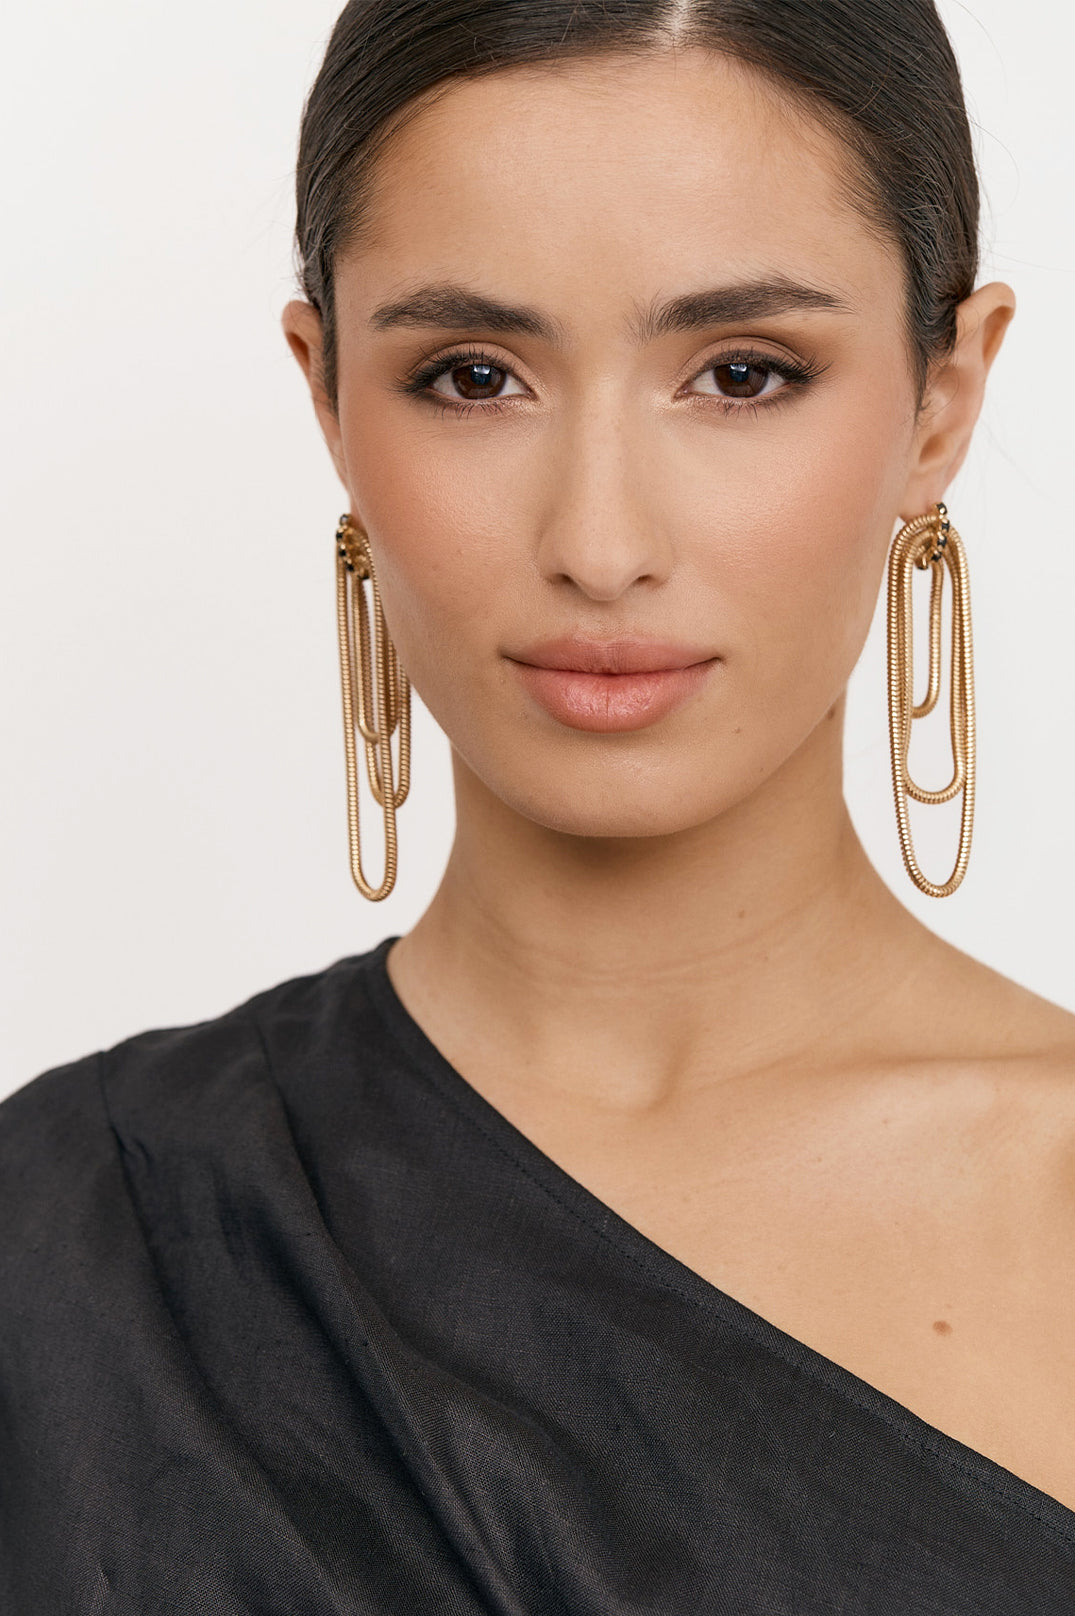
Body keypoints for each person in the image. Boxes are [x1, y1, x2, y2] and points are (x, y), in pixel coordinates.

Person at [2, 0, 1073, 1609]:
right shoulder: (69, 1236)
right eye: (474, 376)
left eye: (742, 373)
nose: (599, 543)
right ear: (326, 393)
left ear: (945, 397)